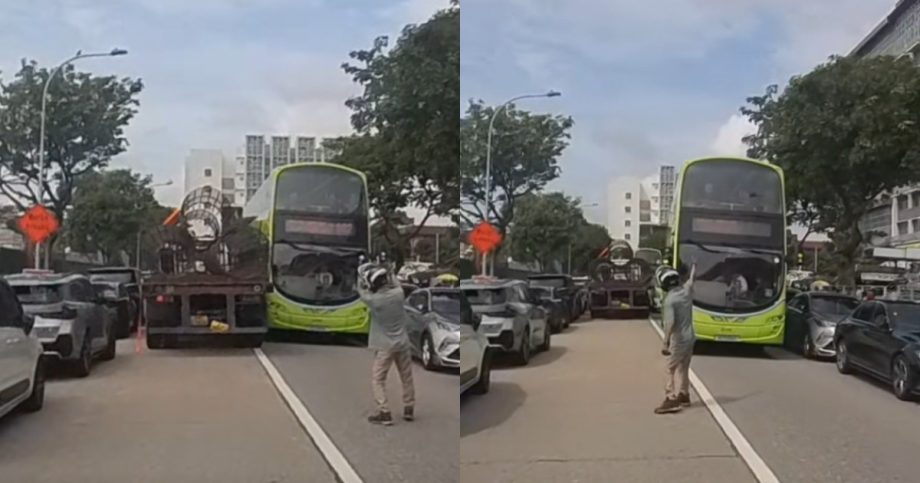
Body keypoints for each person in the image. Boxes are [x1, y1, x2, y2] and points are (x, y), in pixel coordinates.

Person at [357, 262, 416, 426]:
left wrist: (360, 273)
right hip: (403, 342)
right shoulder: (398, 294)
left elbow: (360, 290)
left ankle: (384, 412)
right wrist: (389, 271)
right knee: (406, 377)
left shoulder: (374, 300)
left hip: (385, 345)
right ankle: (409, 408)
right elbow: (394, 280)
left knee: (378, 379)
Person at [655, 261, 697, 415]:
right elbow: (691, 280)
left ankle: (671, 398)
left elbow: (670, 323)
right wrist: (694, 266)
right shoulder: (686, 292)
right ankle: (684, 394)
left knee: (669, 368)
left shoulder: (670, 300)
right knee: (683, 367)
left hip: (679, 339)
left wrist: (665, 342)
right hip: (691, 337)